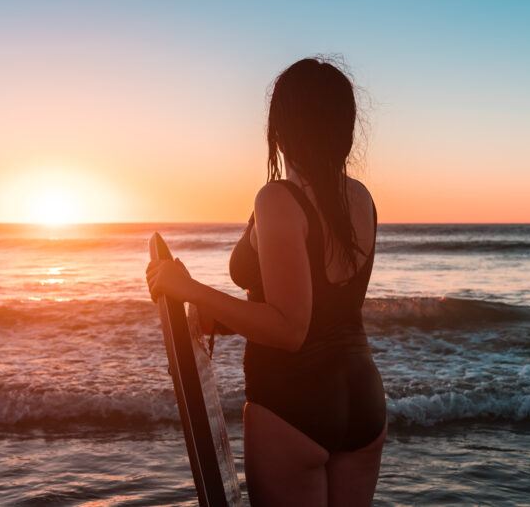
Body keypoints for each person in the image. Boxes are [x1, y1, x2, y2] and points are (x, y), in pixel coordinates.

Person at [146, 57, 386, 506]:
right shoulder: (360, 197)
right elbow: (318, 310)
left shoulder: (278, 198)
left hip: (293, 408)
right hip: (363, 404)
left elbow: (290, 329)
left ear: (282, 126)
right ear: (345, 125)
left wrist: (188, 289)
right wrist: (223, 319)